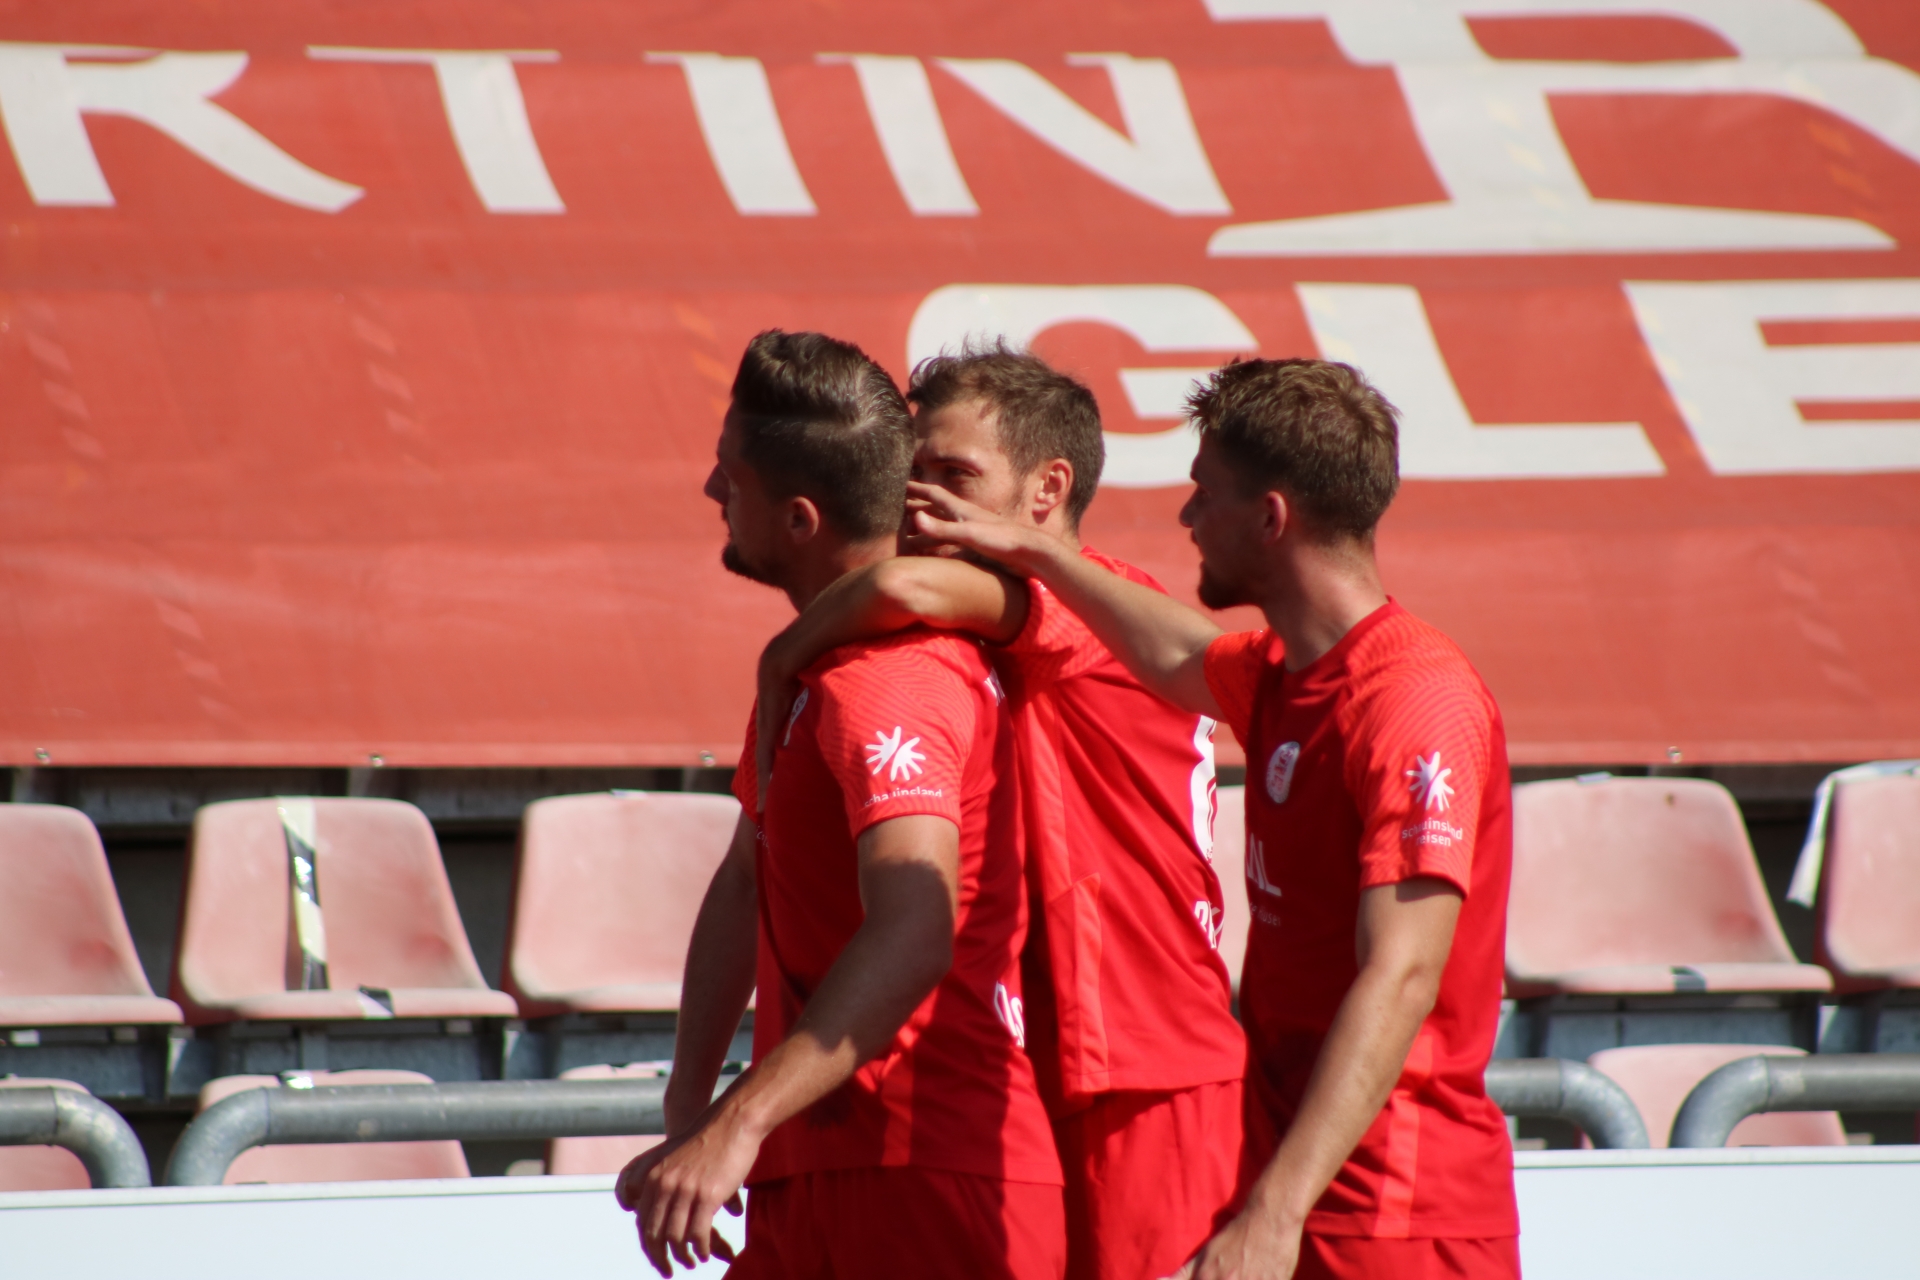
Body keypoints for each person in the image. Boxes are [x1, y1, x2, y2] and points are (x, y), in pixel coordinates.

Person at [906, 357, 1518, 1280]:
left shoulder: (1414, 697)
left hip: (1400, 1212)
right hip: (1297, 1187)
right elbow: (1167, 653)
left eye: (1204, 493)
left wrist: (1274, 1210)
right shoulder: (1277, 674)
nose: (1188, 518)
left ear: (1270, 518)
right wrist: (1035, 549)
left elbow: (1402, 975)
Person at [754, 344, 1248, 1280]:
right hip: (1042, 1068)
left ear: (1046, 489)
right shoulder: (980, 626)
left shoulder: (1094, 604)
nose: (918, 503)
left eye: (955, 476)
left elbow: (900, 583)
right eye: (911, 474)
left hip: (1149, 1070)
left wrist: (781, 656)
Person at [615, 330, 1064, 1279]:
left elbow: (915, 928)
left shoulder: (887, 679)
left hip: (924, 1176)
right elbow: (745, 881)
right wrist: (690, 1111)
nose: (711, 490)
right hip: (823, 1163)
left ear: (800, 519)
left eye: (731, 474)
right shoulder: (812, 666)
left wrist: (736, 1124)